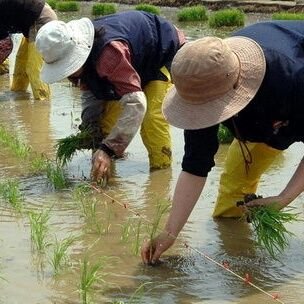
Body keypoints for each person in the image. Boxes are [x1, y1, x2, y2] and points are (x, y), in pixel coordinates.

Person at [141, 20, 304, 264]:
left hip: (288, 96)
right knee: (232, 196)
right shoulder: (203, 79)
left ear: (239, 90)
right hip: (267, 118)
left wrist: (284, 198)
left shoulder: (292, 79)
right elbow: (195, 165)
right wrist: (170, 232)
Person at [35, 11, 186, 181]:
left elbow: (136, 104)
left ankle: (161, 175)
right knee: (104, 124)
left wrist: (108, 149)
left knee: (152, 120)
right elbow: (91, 95)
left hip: (159, 53)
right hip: (130, 62)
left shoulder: (108, 54)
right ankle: (104, 176)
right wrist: (91, 128)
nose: (68, 73)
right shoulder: (82, 66)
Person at [0, 0, 57, 100]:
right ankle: (19, 97)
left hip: (41, 21)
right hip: (29, 27)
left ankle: (42, 104)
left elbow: (6, 44)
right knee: (20, 68)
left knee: (34, 68)